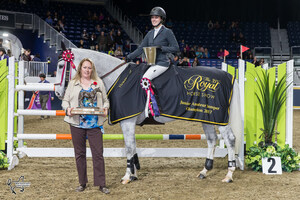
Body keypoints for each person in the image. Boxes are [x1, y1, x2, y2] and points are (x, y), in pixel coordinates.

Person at [62, 58, 110, 194]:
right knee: (79, 154)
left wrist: (105, 108)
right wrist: (68, 109)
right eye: (85, 67)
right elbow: (65, 101)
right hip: (76, 123)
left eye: (89, 68)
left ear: (92, 69)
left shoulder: (98, 83)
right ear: (80, 69)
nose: (87, 70)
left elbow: (106, 101)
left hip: (95, 124)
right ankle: (82, 183)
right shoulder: (73, 83)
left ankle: (101, 184)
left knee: (98, 154)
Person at [126, 7, 179, 82]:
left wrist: (162, 48)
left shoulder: (167, 32)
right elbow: (141, 49)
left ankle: (150, 94)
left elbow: (176, 48)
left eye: (156, 17)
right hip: (151, 63)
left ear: (161, 19)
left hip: (162, 63)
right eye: (152, 17)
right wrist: (129, 57)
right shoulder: (149, 33)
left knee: (145, 79)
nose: (153, 19)